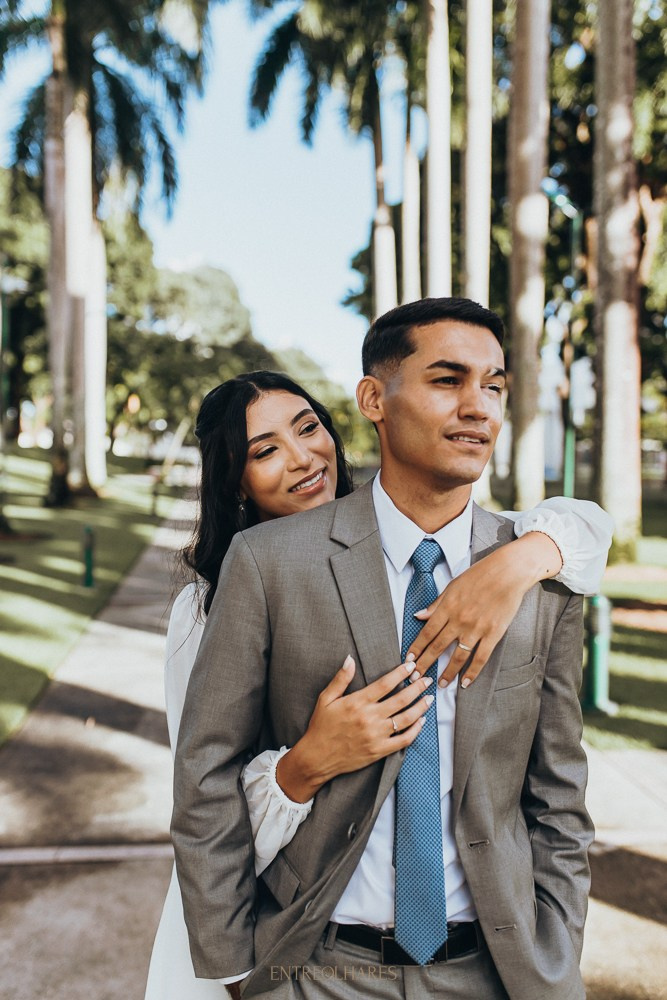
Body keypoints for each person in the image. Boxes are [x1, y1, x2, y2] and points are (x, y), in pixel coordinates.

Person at [169, 312, 610, 999]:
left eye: (493, 386)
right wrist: (238, 974)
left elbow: (558, 796)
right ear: (373, 399)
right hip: (320, 970)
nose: (477, 406)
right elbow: (205, 774)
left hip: (497, 972)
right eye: (447, 380)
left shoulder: (537, 570)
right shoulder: (264, 562)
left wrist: (555, 953)